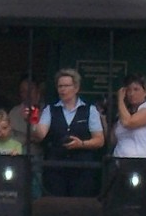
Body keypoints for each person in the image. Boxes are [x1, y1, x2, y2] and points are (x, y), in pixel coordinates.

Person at [33, 68, 105, 197]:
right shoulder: (50, 110)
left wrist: (81, 144)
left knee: (79, 207)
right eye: (60, 86)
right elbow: (40, 135)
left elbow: (99, 140)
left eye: (66, 86)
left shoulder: (90, 110)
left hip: (82, 169)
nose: (62, 89)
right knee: (56, 206)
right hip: (55, 169)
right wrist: (32, 122)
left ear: (76, 88)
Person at [111, 73, 146, 159]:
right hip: (118, 159)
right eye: (128, 90)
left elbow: (129, 123)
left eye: (136, 89)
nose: (131, 93)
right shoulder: (124, 113)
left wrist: (120, 100)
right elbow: (112, 140)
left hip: (139, 161)